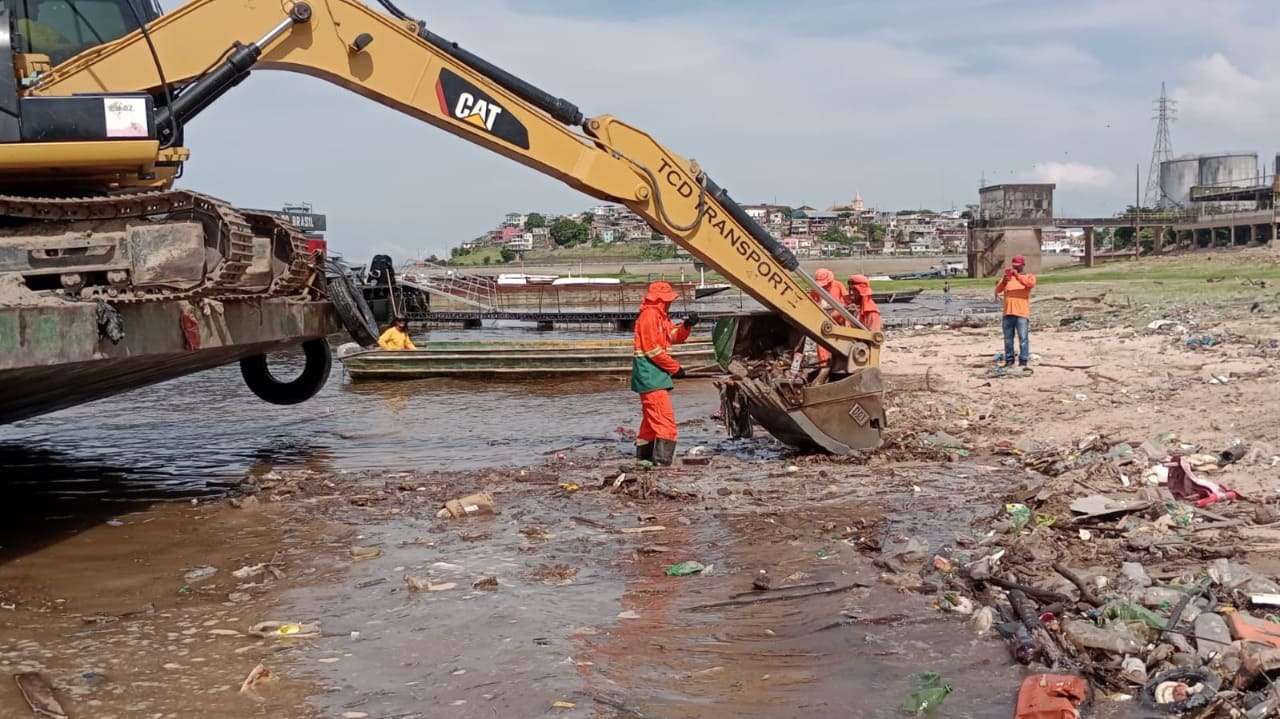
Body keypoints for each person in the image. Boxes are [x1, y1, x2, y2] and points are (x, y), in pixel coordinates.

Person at [630, 281, 698, 466]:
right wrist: (675, 368)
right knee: (664, 421)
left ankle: (644, 458)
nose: (670, 303)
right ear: (660, 299)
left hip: (652, 375)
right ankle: (662, 463)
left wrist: (686, 325)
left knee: (650, 422)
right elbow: (652, 350)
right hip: (650, 375)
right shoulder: (650, 316)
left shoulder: (659, 316)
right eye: (667, 300)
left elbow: (673, 336)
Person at [995, 255, 1036, 368]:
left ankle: (1023, 361)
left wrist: (1017, 276)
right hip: (1008, 313)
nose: (1016, 268)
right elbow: (997, 290)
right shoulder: (1008, 279)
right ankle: (1009, 360)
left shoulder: (1029, 276)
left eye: (1018, 266)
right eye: (1014, 266)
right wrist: (1004, 280)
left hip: (1021, 314)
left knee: (1023, 338)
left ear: (1023, 266)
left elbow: (1030, 284)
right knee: (1008, 339)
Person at [807, 268, 848, 369]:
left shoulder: (838, 285)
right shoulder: (815, 289)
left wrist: (835, 314)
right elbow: (811, 303)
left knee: (840, 343)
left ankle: (841, 364)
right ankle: (824, 366)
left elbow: (846, 303)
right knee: (822, 344)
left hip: (838, 319)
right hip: (823, 320)